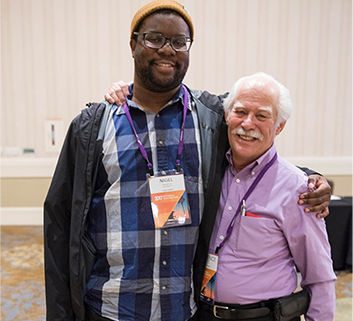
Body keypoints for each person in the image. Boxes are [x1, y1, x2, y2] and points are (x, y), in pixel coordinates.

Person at [44, 1, 331, 321]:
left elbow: (254, 143)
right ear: (133, 44)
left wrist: (312, 178)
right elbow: (59, 226)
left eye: (179, 42)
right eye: (154, 38)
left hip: (185, 310)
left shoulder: (210, 117)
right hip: (111, 309)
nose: (168, 49)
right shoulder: (93, 126)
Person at [191, 72, 337, 321]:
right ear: (227, 116)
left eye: (262, 116)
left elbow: (320, 278)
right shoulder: (210, 172)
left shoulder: (298, 190)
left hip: (262, 316)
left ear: (279, 126)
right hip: (204, 313)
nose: (248, 124)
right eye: (240, 112)